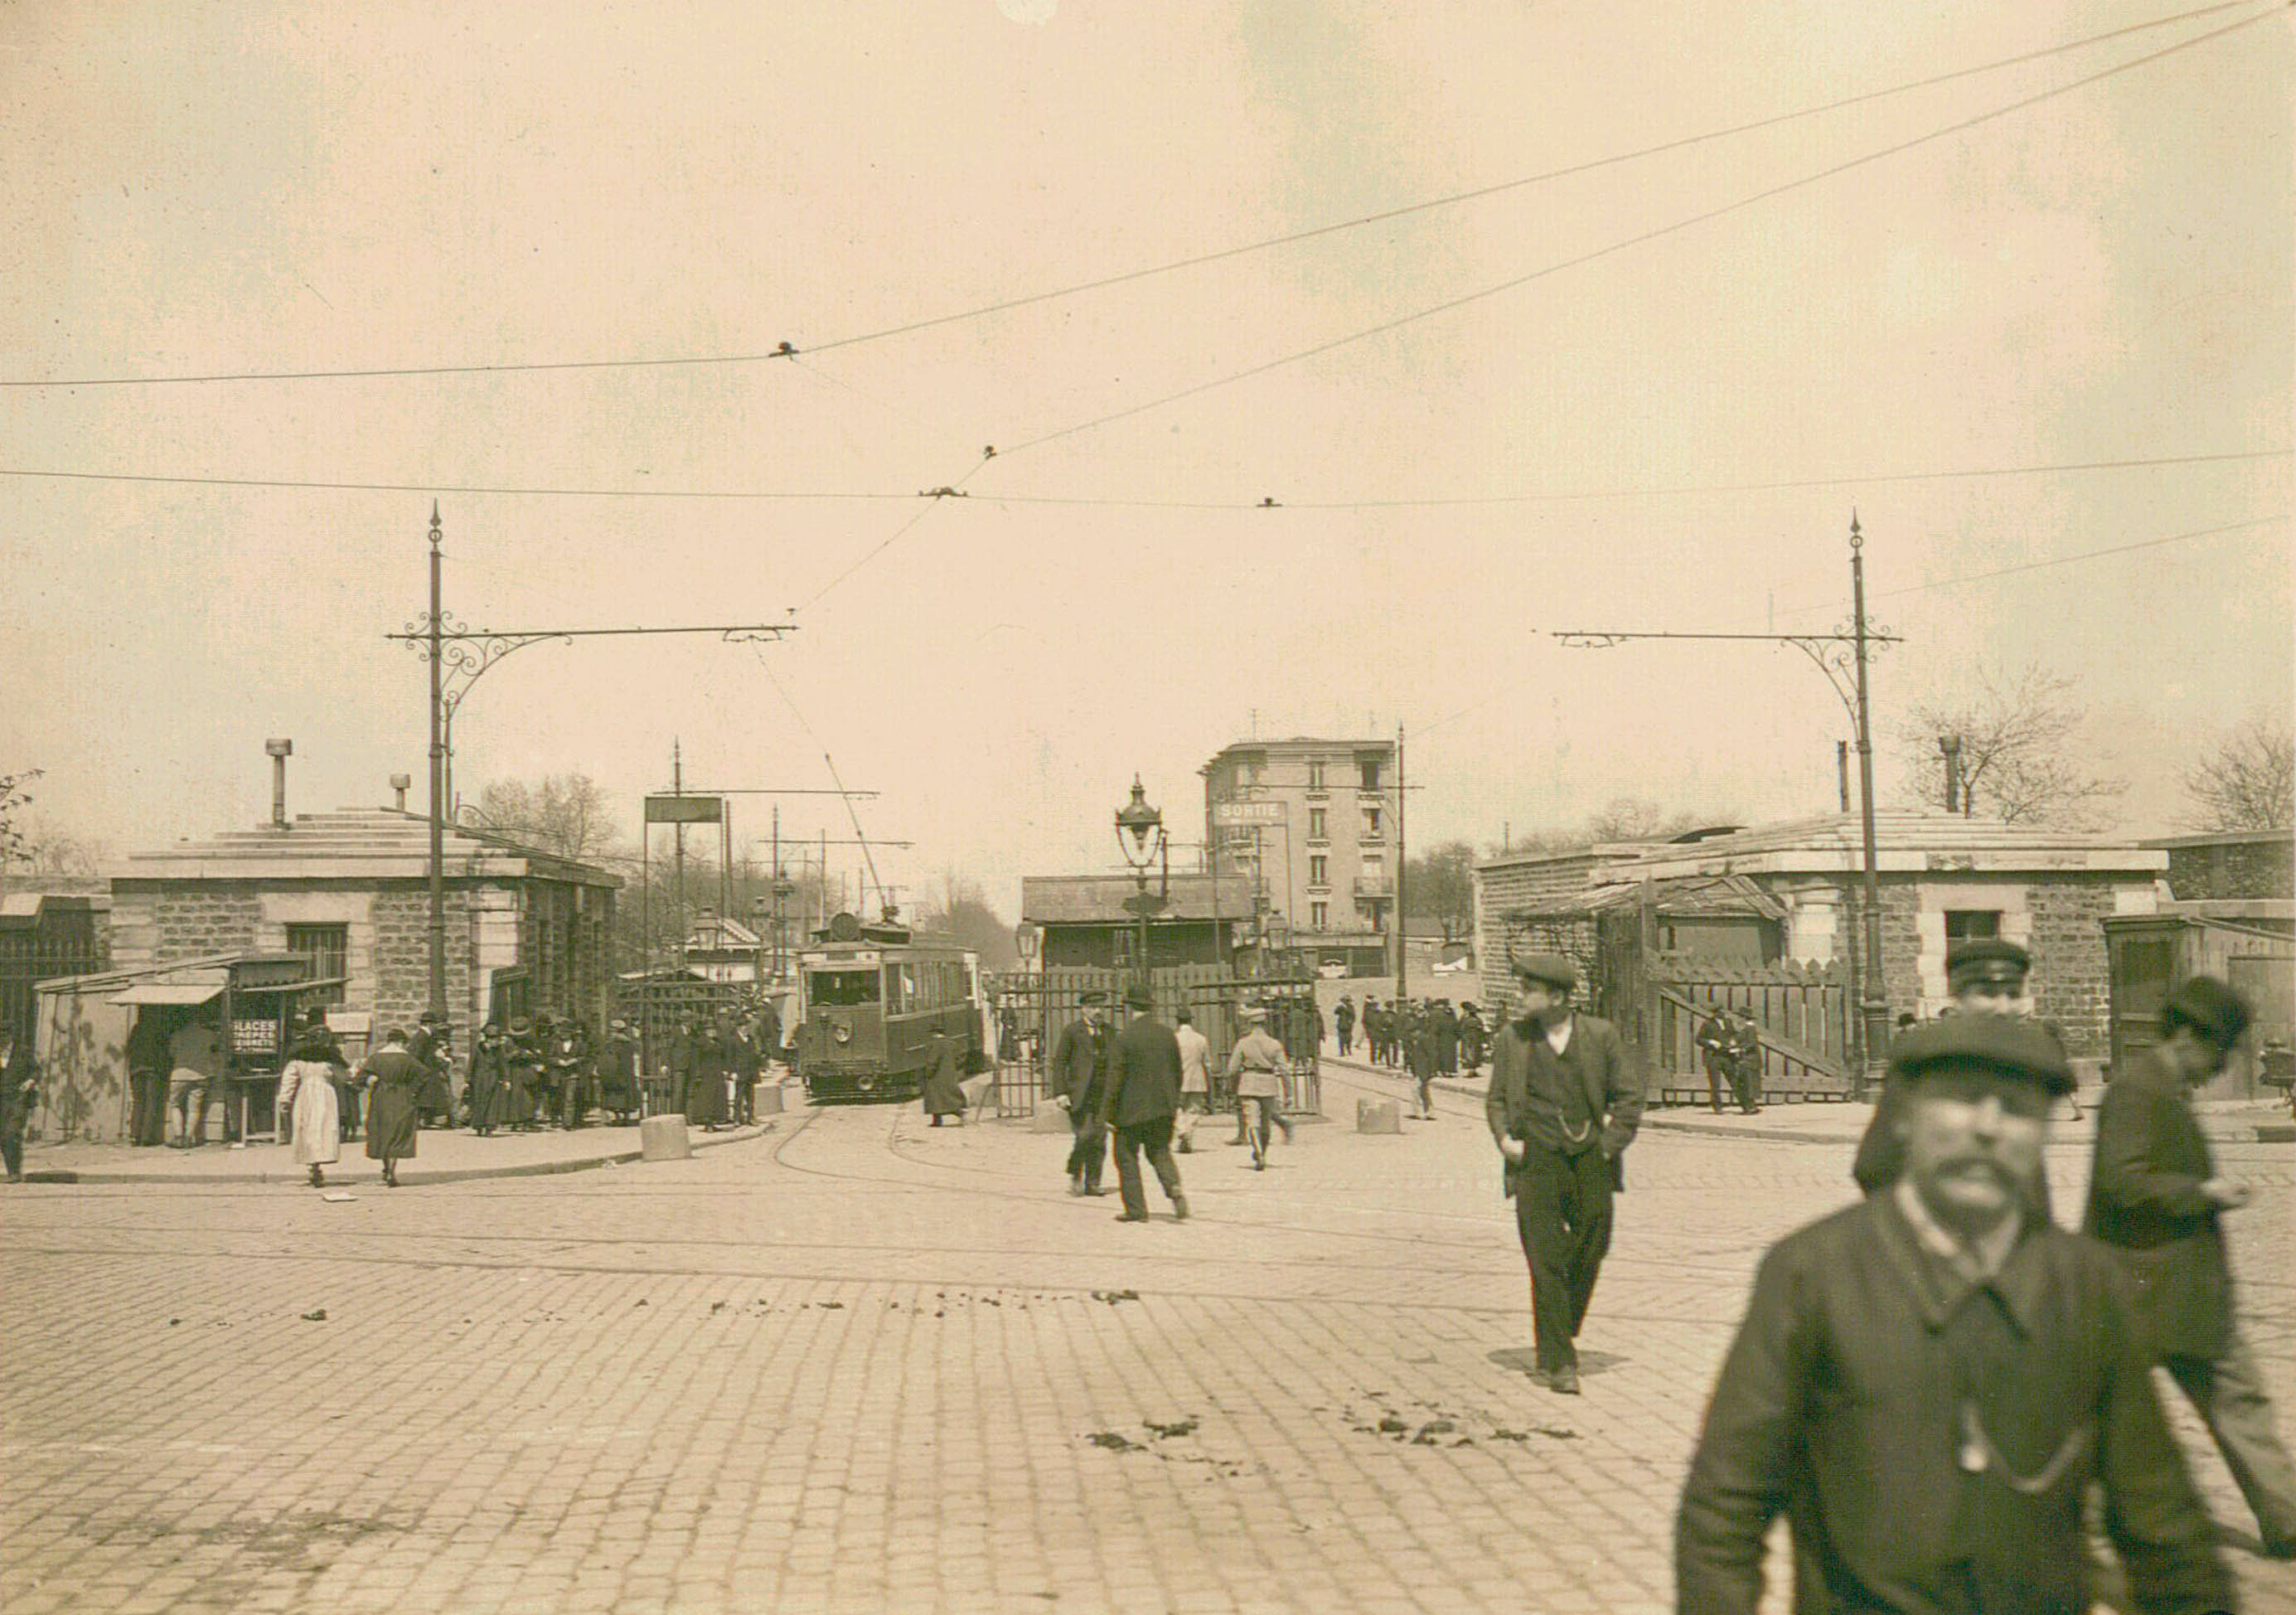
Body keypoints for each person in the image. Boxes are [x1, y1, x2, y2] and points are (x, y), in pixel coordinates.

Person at [1677, 1014, 2234, 1614]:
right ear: (1906, 1116)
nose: (1989, 1128)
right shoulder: (1813, 1274)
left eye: (2018, 1108)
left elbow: (2161, 1519)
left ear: (2046, 1131)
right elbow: (1726, 1508)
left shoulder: (2086, 1285)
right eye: (1963, 1101)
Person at [2086, 974, 2296, 1558]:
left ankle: (2286, 1519)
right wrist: (2206, 1192)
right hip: (2157, 1286)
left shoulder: (2158, 1088)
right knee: (2231, 1399)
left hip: (2163, 1287)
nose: (2220, 1067)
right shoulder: (2139, 1091)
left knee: (2217, 1402)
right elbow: (2121, 1181)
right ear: (2185, 1035)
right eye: (2218, 1052)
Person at [1484, 953, 1643, 1394]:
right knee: (1545, 1258)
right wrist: (1504, 1140)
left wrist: (1607, 1148)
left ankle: (1559, 1325)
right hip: (1535, 1161)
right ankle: (1559, 1362)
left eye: (1528, 990)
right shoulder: (1512, 1040)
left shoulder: (1600, 1036)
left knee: (1594, 1242)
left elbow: (1629, 1099)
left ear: (1556, 996)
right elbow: (1496, 1099)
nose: (1521, 997)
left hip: (1590, 1158)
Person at [1853, 939, 2052, 1208]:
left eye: (2013, 995)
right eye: (1987, 994)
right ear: (1958, 997)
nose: (2003, 1008)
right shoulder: (1925, 1061)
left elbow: (2032, 1174)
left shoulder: (2029, 1064)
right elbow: (1875, 1166)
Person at [1101, 983, 1187, 1223]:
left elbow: (1114, 1079)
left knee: (1126, 1157)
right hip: (1162, 1108)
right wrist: (1172, 1101)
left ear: (1129, 1008)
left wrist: (1108, 1114)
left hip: (1130, 1112)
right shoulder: (1167, 1034)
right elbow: (1177, 1072)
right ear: (1150, 1007)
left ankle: (1136, 1210)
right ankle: (1174, 1187)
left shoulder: (1124, 1038)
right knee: (1160, 1152)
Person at [1050, 991, 1112, 1195]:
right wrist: (1060, 1092)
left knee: (1100, 1140)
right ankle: (1075, 1173)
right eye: (1094, 1007)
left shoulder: (1110, 1032)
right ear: (1083, 1008)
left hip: (1102, 1096)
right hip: (1079, 1095)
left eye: (1101, 1007)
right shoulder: (1072, 1032)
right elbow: (1060, 1063)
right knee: (1084, 1135)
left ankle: (1093, 1182)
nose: (1098, 1011)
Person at [274, 1015, 344, 1188]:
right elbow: (343, 1076)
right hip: (325, 1093)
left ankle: (313, 1165)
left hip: (306, 1093)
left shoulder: (298, 1058)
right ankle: (316, 1164)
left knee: (308, 1128)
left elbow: (289, 1080)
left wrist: (285, 1099)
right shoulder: (330, 1059)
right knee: (322, 1128)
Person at [1226, 1003, 1294, 1169]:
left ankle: (1257, 1151)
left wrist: (1232, 1087)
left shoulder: (1243, 1043)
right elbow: (1285, 1070)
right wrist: (1288, 1093)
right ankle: (1262, 1153)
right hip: (1269, 1084)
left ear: (1250, 1023)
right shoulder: (1275, 1044)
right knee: (1265, 1122)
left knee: (1252, 1121)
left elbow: (1232, 1070)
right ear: (1265, 1023)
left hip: (1248, 1083)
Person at [360, 1027, 426, 1188]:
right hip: (401, 1096)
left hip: (380, 1097)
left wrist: (371, 1081)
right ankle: (391, 1170)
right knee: (398, 1133)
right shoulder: (408, 1059)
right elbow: (424, 1075)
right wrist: (413, 1091)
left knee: (383, 1132)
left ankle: (386, 1167)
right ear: (401, 1042)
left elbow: (361, 1078)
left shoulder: (375, 1058)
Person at [167, 1014, 222, 1148]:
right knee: (194, 1109)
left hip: (179, 1075)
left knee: (175, 1105)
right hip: (200, 1075)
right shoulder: (209, 1035)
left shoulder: (177, 1035)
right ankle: (188, 1138)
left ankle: (178, 1137)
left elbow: (171, 1053)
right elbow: (215, 1051)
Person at [1172, 1008, 1213, 1152]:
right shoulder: (1201, 1039)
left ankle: (1182, 1131)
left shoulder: (1174, 1038)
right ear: (1191, 1020)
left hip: (1178, 1079)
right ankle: (1188, 1134)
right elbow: (1207, 1063)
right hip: (1197, 1079)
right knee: (1194, 1110)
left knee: (1176, 1108)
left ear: (1178, 1021)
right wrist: (1209, 1080)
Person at [1, 1033, 38, 1184]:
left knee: (12, 1133)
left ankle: (15, 1172)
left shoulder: (23, 1052)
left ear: (10, 1038)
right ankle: (13, 1171)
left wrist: (30, 1081)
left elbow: (36, 1070)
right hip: (2, 1099)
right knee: (4, 1137)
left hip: (18, 1098)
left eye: (4, 1038)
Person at [465, 1020, 508, 1136]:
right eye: (495, 1039)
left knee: (492, 1104)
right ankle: (479, 1126)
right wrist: (467, 1079)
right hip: (479, 1079)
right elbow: (471, 1064)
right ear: (488, 1039)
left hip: (493, 1078)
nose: (497, 1041)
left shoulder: (498, 1050)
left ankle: (490, 1127)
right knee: (479, 1102)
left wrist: (505, 1079)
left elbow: (502, 1064)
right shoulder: (478, 1049)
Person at [920, 1024, 967, 1126]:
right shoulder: (952, 1043)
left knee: (935, 1098)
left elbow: (932, 1061)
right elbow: (961, 1057)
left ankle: (942, 1119)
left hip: (936, 1076)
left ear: (934, 1033)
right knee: (947, 1096)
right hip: (949, 1074)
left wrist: (928, 1072)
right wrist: (954, 1067)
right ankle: (954, 1115)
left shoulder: (934, 1045)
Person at [1696, 1005, 1740, 1115]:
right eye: (1719, 1012)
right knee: (1715, 1084)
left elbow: (1734, 1035)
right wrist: (1711, 1042)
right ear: (1714, 1013)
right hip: (1713, 1057)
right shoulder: (1707, 1024)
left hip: (1727, 1056)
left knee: (1734, 1080)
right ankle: (1717, 1107)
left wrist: (1734, 1041)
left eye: (1723, 1011)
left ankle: (1745, 1105)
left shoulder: (1728, 1022)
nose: (1722, 1014)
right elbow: (1699, 1039)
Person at [598, 1017, 640, 1124]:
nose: (611, 1033)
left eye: (613, 1031)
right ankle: (625, 1117)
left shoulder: (612, 1044)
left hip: (616, 1072)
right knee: (625, 1095)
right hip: (625, 1072)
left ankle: (618, 1117)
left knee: (616, 1095)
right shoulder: (628, 1043)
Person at [1458, 1002, 1487, 1074]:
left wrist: (1461, 1035)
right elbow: (1481, 1029)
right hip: (1474, 1038)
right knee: (1473, 1053)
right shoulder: (1477, 1020)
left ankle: (1470, 1067)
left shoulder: (1467, 1019)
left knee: (1469, 1052)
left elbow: (1462, 1028)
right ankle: (1472, 1067)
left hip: (1469, 1038)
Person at [1334, 993, 1356, 1059]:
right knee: (1341, 1039)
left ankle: (1348, 1049)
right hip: (1341, 1025)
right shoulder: (1340, 1007)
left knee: (1349, 1038)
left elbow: (1353, 1015)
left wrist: (1351, 1022)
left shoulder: (1351, 1007)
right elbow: (1335, 1012)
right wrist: (1339, 1007)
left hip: (1348, 1025)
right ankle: (1342, 1051)